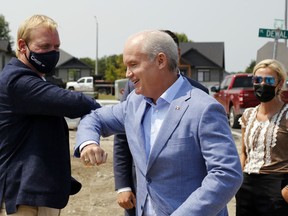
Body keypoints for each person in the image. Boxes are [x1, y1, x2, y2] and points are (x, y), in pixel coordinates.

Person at [74, 29, 243, 216]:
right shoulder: (134, 103)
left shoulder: (203, 109)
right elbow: (94, 117)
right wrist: (89, 143)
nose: (127, 74)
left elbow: (226, 175)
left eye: (133, 65)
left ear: (160, 61)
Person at [0, 14, 101, 215]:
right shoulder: (17, 81)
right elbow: (76, 103)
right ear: (22, 46)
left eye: (56, 47)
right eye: (45, 47)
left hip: (34, 193)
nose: (53, 53)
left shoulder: (32, 79)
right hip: (24, 198)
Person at [113, 29, 209, 216]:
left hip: (182, 198)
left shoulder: (199, 94)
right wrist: (123, 185)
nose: (128, 73)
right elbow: (123, 136)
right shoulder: (135, 89)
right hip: (140, 193)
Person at [235, 59, 288, 216]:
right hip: (247, 187)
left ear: (280, 83)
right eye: (257, 80)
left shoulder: (286, 115)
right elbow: (244, 153)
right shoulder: (248, 115)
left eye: (269, 80)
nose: (262, 84)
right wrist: (238, 182)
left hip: (277, 186)